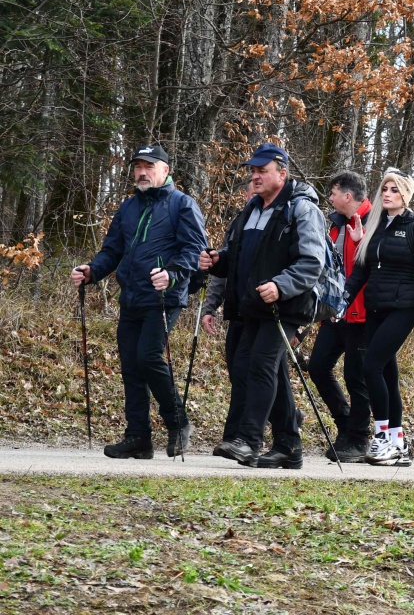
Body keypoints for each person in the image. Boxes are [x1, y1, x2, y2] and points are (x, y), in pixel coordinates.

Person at [72, 145, 207, 460]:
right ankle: (138, 438)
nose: (142, 172)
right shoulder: (128, 207)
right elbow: (112, 250)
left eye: (149, 166)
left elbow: (194, 251)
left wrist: (172, 274)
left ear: (165, 170)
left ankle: (178, 423)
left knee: (148, 357)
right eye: (138, 167)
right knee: (132, 367)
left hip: (164, 297)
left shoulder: (182, 205)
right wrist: (92, 271)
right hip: (131, 297)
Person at [202, 143, 326, 469]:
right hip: (253, 306)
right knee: (258, 369)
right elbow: (239, 258)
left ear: (281, 174)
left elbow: (313, 262)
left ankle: (248, 440)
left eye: (262, 171)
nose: (255, 177)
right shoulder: (251, 210)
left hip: (285, 305)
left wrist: (281, 285)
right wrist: (217, 261)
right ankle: (288, 445)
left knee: (260, 365)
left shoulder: (301, 209)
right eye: (253, 171)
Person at [343, 169, 414, 466]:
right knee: (387, 373)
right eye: (384, 188)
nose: (387, 194)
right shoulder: (374, 226)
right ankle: (397, 441)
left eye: (394, 190)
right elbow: (362, 269)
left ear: (406, 195)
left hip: (403, 307)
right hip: (376, 307)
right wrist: (342, 299)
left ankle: (382, 435)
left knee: (370, 366)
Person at [308, 170, 373, 463]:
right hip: (335, 313)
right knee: (318, 366)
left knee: (356, 376)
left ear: (347, 196)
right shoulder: (334, 224)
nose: (330, 198)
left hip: (364, 313)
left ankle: (359, 440)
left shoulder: (375, 222)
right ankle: (345, 424)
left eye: (333, 193)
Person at [201, 180, 254, 449]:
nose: (255, 194)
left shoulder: (283, 220)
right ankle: (288, 417)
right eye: (251, 190)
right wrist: (210, 307)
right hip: (236, 310)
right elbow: (224, 268)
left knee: (249, 372)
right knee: (237, 372)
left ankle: (236, 436)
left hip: (263, 312)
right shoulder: (238, 223)